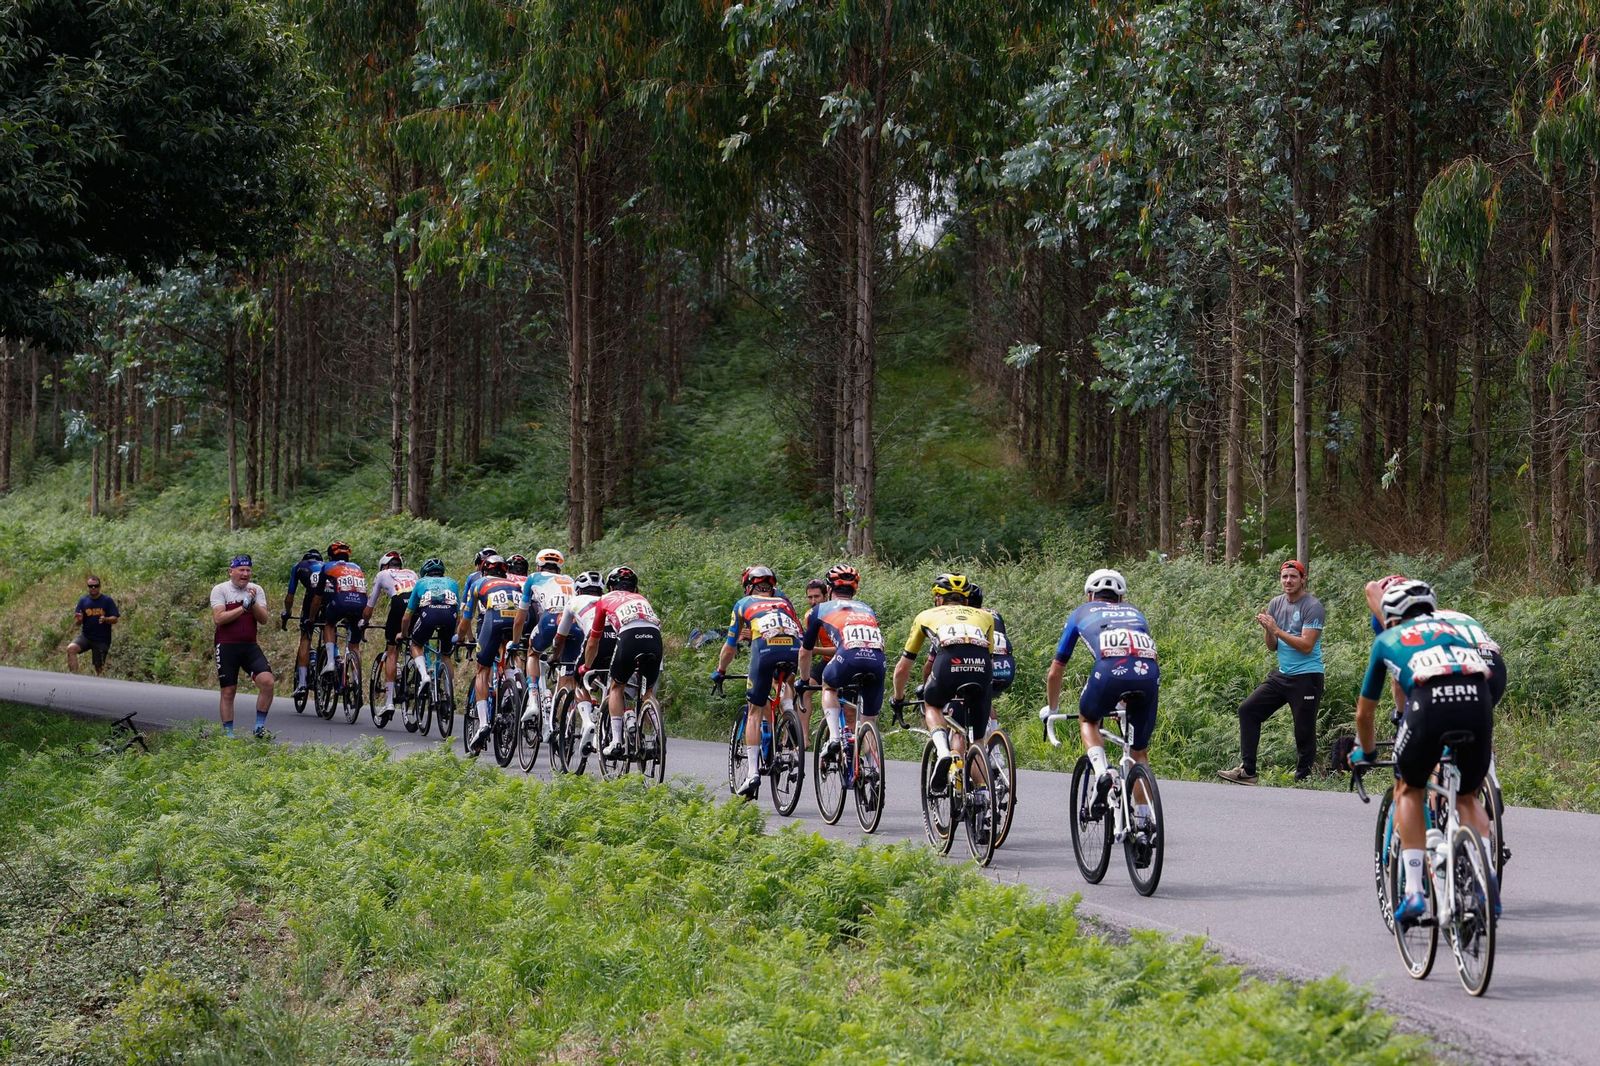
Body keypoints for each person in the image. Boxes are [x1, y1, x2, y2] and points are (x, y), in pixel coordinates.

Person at [1351, 579, 1497, 923]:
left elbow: (1364, 712)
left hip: (1430, 706)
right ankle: (1486, 878)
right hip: (1479, 702)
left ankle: (1415, 892)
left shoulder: (1388, 639)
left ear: (1390, 615)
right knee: (1467, 798)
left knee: (1409, 788)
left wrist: (1367, 752)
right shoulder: (1454, 628)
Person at [1041, 568, 1159, 828]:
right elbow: (1144, 655)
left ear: (1090, 595)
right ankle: (1142, 825)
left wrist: (1053, 708)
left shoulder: (1081, 613)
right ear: (1120, 597)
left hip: (1108, 672)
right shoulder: (1136, 613)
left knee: (1089, 719)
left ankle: (1102, 771)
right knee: (1138, 751)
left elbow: (1056, 671)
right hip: (1148, 675)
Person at [1218, 559, 1326, 785]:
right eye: (1284, 577)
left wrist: (1276, 629)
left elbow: (1307, 646)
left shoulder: (1312, 606)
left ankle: (1303, 780)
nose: (1288, 581)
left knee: (1303, 731)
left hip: (1307, 677)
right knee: (1248, 710)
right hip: (1282, 674)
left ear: (1303, 579)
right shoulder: (1276, 603)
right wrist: (1269, 631)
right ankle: (1248, 771)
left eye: (1293, 577)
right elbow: (1272, 645)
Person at [892, 573, 994, 792]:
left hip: (949, 662)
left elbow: (904, 666)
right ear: (965, 599)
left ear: (938, 598)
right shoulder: (985, 616)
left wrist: (898, 697)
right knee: (977, 741)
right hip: (982, 666)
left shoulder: (926, 615)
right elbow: (990, 654)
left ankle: (943, 752)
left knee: (932, 703)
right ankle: (984, 795)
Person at [712, 565, 803, 798]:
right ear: (771, 587)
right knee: (784, 684)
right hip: (794, 649)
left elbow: (730, 646)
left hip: (765, 651)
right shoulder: (784, 603)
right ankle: (789, 713)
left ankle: (752, 773)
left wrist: (721, 670)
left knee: (754, 710)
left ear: (748, 587)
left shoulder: (743, 604)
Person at [798, 564, 885, 768]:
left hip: (848, 657)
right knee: (868, 721)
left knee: (829, 686)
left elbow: (805, 651)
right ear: (855, 589)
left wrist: (803, 681)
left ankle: (835, 738)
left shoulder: (819, 610)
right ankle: (873, 773)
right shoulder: (867, 609)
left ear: (828, 590)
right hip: (877, 660)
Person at [583, 566, 664, 759]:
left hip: (629, 637)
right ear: (634, 588)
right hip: (654, 637)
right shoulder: (642, 599)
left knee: (616, 686)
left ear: (610, 587)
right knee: (647, 692)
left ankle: (616, 741)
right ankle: (658, 734)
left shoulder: (604, 600)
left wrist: (587, 667)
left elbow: (594, 640)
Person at [457, 553, 522, 754]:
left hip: (494, 620)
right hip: (518, 622)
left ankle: (484, 723)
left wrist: (460, 638)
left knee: (482, 669)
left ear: (484, 571)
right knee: (507, 657)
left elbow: (467, 617)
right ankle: (513, 688)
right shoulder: (515, 585)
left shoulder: (479, 583)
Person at [210, 554, 274, 738]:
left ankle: (259, 728)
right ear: (231, 572)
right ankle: (229, 734)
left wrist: (252, 604)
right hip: (227, 646)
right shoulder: (220, 589)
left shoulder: (256, 589)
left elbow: (263, 620)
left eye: (248, 570)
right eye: (241, 570)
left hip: (249, 646)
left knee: (267, 682)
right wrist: (242, 608)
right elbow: (219, 618)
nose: (245, 574)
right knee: (229, 691)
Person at [512, 548, 575, 731]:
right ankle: (564, 720)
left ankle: (533, 699)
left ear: (539, 566)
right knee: (567, 673)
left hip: (551, 620)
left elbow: (520, 617)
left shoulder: (533, 577)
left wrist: (515, 643)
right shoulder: (570, 580)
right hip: (575, 625)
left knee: (533, 653)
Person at [549, 570, 607, 752]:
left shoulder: (573, 601)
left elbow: (560, 636)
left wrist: (555, 657)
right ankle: (605, 727)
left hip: (595, 639)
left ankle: (588, 721)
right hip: (619, 640)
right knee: (611, 684)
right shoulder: (608, 600)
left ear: (578, 590)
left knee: (579, 679)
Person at [363, 550, 418, 726]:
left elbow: (371, 604)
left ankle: (388, 703)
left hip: (399, 604)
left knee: (392, 649)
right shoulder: (412, 573)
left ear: (385, 566)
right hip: (418, 606)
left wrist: (364, 622)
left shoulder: (382, 574)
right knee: (416, 644)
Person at [308, 541, 368, 690]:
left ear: (330, 556)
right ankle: (356, 679)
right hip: (361, 604)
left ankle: (330, 662)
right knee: (354, 645)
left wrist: (311, 618)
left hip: (341, 602)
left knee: (329, 624)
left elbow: (318, 597)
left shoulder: (327, 567)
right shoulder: (357, 567)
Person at [400, 557, 460, 701]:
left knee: (415, 644)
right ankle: (448, 693)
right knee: (446, 655)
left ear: (425, 572)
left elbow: (407, 616)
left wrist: (403, 633)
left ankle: (425, 676)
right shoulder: (452, 582)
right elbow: (459, 615)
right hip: (450, 616)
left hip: (429, 615)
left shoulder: (420, 582)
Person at [279, 548, 323, 698]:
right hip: (330, 597)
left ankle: (302, 684)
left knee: (306, 637)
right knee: (330, 628)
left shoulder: (299, 566)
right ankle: (333, 658)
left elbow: (290, 595)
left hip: (312, 599)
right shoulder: (326, 566)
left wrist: (287, 612)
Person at [970, 584, 1013, 735]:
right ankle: (995, 740)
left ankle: (973, 742)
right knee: (986, 700)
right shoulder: (995, 614)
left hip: (984, 663)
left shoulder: (967, 616)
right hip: (1006, 666)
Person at [797, 578, 833, 732]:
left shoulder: (834, 613)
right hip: (826, 661)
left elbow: (841, 649)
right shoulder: (810, 616)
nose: (813, 601)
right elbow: (812, 647)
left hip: (842, 660)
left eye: (817, 597)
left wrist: (814, 650)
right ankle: (803, 738)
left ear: (826, 596)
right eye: (810, 597)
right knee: (804, 688)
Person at [67, 575, 119, 674]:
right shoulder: (83, 601)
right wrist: (79, 620)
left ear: (100, 586)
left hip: (102, 639)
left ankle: (100, 687)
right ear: (88, 587)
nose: (93, 588)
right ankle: (73, 678)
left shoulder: (107, 601)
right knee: (71, 649)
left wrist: (106, 619)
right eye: (91, 586)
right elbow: (77, 623)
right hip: (86, 637)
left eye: (96, 586)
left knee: (99, 668)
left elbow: (115, 619)